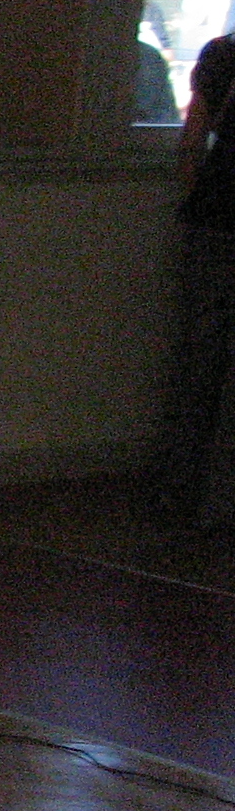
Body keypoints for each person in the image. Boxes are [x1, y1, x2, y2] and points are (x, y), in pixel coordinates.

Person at [158, 31, 235, 525]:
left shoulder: (222, 54)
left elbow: (192, 142)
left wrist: (197, 195)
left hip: (216, 215)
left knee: (200, 360)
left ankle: (183, 490)